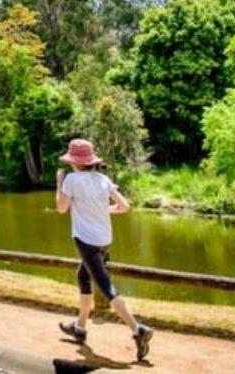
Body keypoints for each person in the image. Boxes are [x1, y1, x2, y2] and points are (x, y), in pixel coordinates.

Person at [55, 138, 153, 362]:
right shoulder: (102, 178)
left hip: (86, 241)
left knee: (106, 287)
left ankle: (138, 330)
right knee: (83, 277)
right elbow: (124, 206)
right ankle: (79, 327)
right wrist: (101, 210)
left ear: (75, 162)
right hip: (104, 240)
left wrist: (59, 183)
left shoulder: (71, 179)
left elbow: (61, 208)